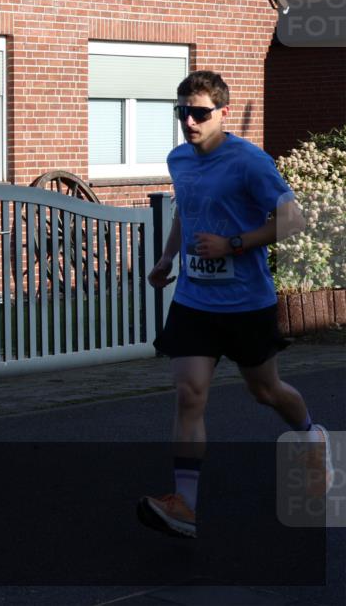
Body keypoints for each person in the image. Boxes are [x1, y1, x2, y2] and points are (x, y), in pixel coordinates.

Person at [138, 70, 334, 539]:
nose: (189, 121)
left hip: (246, 301)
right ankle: (185, 504)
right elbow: (187, 208)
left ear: (223, 113)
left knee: (265, 391)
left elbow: (292, 219)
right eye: (182, 112)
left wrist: (234, 243)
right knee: (189, 393)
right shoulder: (178, 160)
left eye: (200, 113)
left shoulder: (249, 161)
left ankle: (312, 436)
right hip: (194, 299)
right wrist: (167, 257)